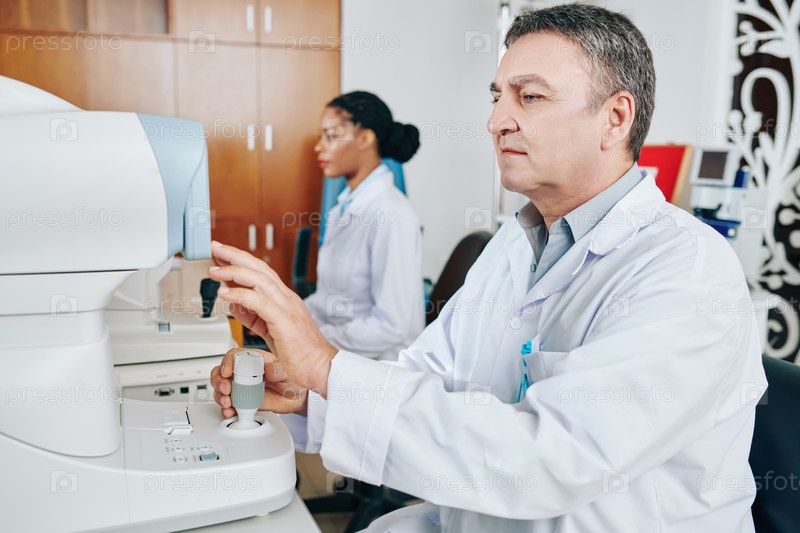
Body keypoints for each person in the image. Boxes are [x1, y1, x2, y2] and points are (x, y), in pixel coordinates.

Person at [209, 4, 767, 531]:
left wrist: (327, 366)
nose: (496, 120)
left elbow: (549, 460)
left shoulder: (687, 270)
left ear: (615, 118)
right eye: (498, 97)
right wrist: (311, 394)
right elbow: (428, 375)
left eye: (531, 97)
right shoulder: (514, 244)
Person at [304, 90, 425, 361]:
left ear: (365, 139)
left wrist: (311, 337)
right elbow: (326, 300)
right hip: (340, 357)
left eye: (330, 136)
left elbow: (391, 327)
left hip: (379, 368)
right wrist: (286, 315)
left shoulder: (392, 216)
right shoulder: (342, 208)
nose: (318, 146)